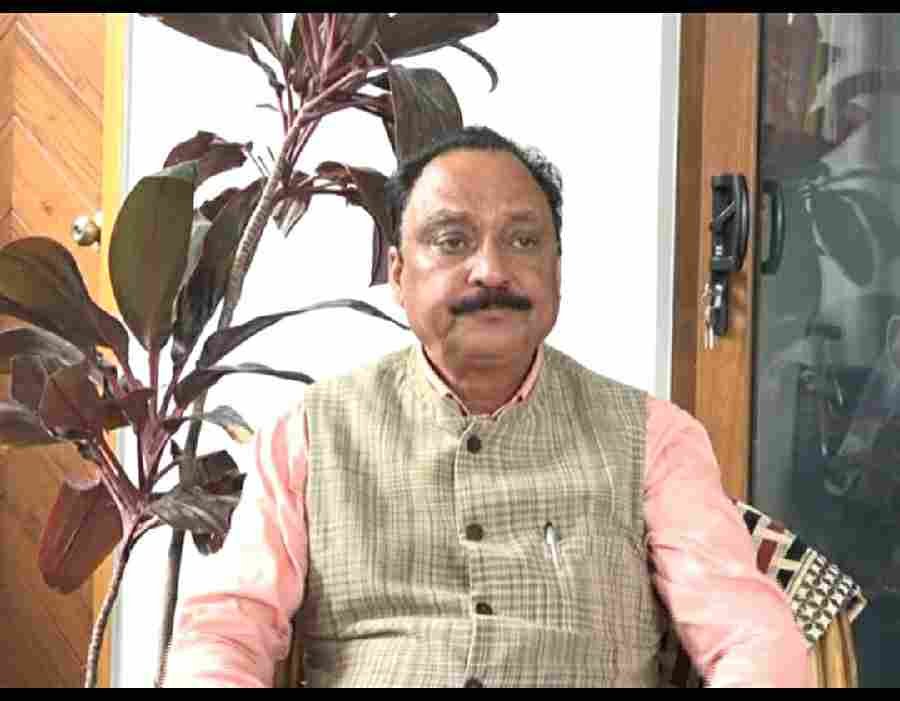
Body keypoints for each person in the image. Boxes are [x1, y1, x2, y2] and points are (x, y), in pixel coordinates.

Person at [162, 126, 810, 688]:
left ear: (558, 271)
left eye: (524, 241)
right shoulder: (310, 433)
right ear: (398, 274)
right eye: (453, 240)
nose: (492, 270)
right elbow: (226, 630)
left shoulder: (654, 438)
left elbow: (751, 638)